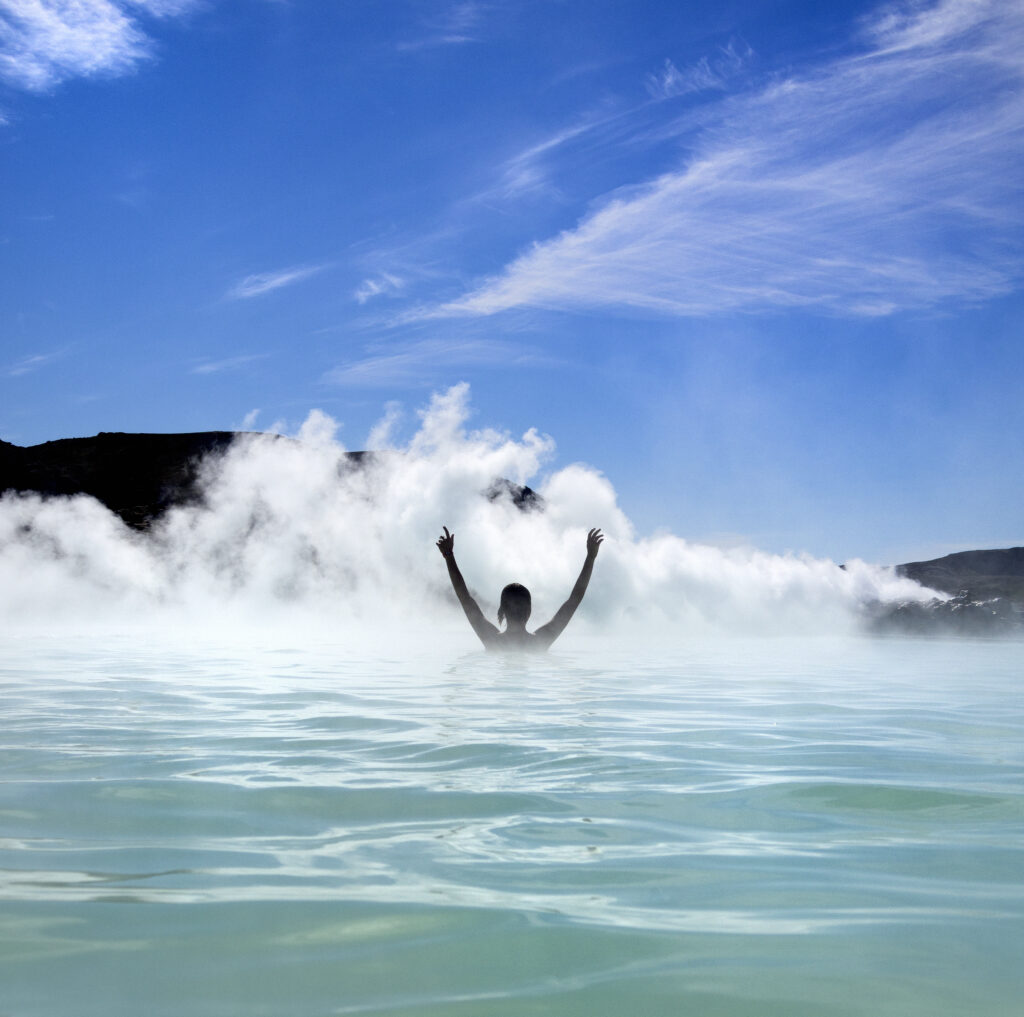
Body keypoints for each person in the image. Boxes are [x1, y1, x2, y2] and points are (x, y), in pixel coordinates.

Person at [436, 526, 603, 650]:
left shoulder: (492, 640)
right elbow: (574, 600)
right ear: (529, 610)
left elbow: (464, 598)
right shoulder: (540, 642)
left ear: (502, 610)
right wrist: (590, 557)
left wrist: (449, 556)